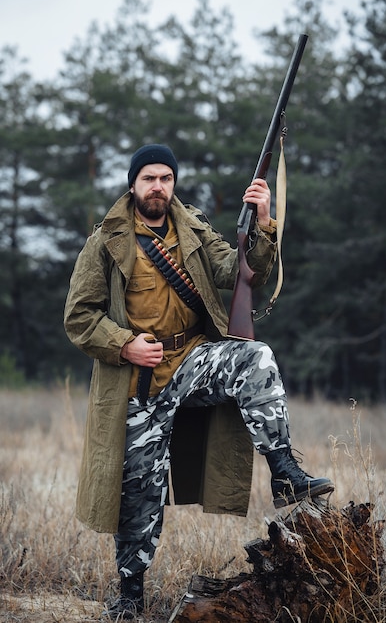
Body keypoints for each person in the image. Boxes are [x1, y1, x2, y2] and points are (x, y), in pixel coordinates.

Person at [64, 143, 334, 620]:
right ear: (133, 184)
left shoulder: (190, 226)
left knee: (256, 358)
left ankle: (285, 473)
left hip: (192, 358)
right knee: (138, 493)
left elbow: (239, 271)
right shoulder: (106, 239)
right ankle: (130, 593)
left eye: (166, 178)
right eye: (149, 178)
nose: (158, 187)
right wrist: (124, 343)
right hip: (137, 381)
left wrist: (263, 222)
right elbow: (78, 317)